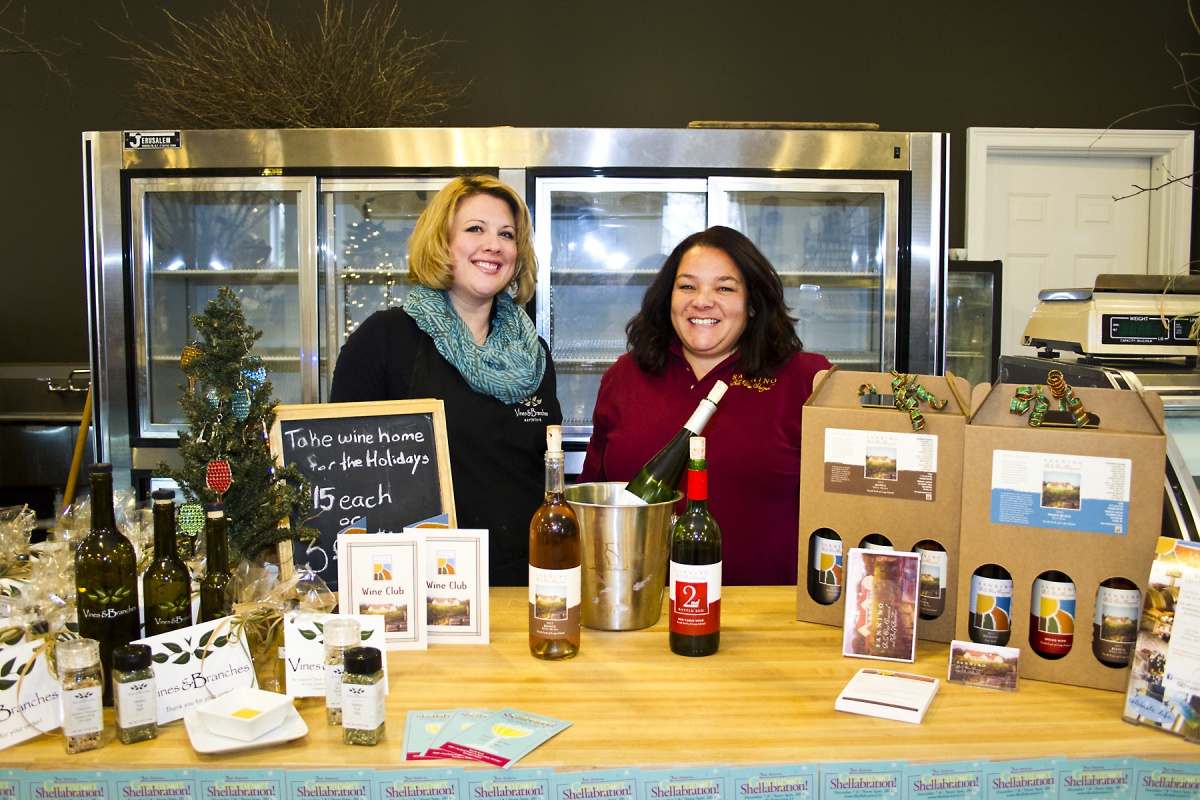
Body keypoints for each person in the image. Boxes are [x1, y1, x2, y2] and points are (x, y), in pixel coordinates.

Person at [330, 175, 562, 585]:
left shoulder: (532, 352)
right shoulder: (384, 340)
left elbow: (541, 470)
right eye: (475, 229)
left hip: (520, 580)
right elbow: (344, 473)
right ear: (441, 242)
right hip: (418, 585)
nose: (493, 244)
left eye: (506, 234)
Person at [578, 225, 831, 586]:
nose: (702, 301)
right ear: (668, 298)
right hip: (638, 608)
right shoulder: (624, 376)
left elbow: (845, 509)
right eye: (688, 286)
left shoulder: (806, 380)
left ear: (754, 304)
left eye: (724, 288)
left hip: (768, 618)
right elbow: (593, 498)